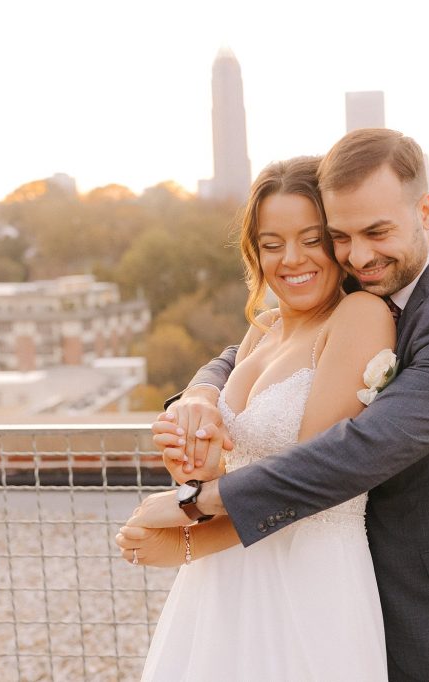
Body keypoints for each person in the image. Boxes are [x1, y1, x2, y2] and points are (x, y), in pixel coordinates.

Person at [122, 129, 429, 681]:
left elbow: (359, 450)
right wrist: (200, 393)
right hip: (337, 581)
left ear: (424, 209)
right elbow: (250, 349)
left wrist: (197, 508)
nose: (358, 254)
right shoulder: (355, 292)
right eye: (341, 236)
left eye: (377, 231)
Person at [121, 156, 394, 680]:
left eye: (312, 239)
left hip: (308, 579)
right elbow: (228, 469)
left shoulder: (360, 318)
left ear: (338, 240)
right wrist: (190, 451)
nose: (292, 259)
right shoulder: (264, 329)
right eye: (272, 244)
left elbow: (311, 484)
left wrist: (183, 537)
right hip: (224, 581)